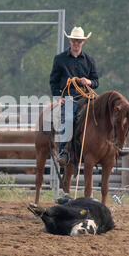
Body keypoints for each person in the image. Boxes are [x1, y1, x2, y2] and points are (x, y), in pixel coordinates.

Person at [49, 27, 99, 165]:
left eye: (79, 41)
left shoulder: (89, 60)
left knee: (100, 116)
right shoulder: (60, 59)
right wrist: (59, 97)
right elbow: (54, 81)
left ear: (83, 42)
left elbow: (95, 81)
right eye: (74, 41)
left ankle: (106, 148)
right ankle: (64, 151)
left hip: (86, 96)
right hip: (69, 96)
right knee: (69, 118)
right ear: (70, 41)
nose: (76, 43)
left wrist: (88, 81)